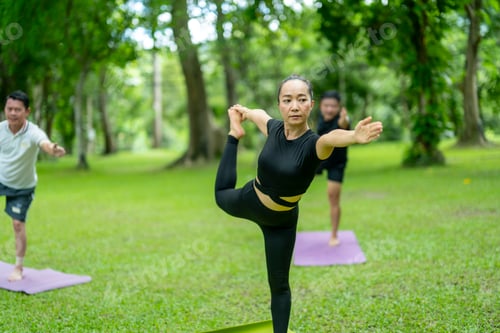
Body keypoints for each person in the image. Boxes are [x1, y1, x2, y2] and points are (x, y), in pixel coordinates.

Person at [214, 74, 383, 333]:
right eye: (287, 100)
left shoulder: (315, 144)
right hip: (250, 199)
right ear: (280, 105)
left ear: (310, 105)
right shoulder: (273, 128)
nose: (294, 106)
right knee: (221, 193)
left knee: (279, 285)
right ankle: (233, 135)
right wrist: (244, 113)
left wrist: (353, 136)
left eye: (301, 99)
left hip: (281, 222)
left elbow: (332, 137)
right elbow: (260, 115)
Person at [1, 90, 66, 282]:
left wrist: (53, 149)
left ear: (27, 111)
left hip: (23, 186)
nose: (13, 113)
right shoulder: (1, 129)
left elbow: (44, 143)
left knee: (18, 224)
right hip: (1, 178)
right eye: (9, 109)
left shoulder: (33, 132)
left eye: (17, 110)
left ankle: (18, 267)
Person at [316, 90, 350, 246]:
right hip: (317, 160)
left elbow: (344, 124)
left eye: (333, 106)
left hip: (337, 163)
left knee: (333, 197)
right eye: (326, 105)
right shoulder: (317, 119)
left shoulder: (341, 120)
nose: (329, 109)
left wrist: (344, 118)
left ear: (339, 108)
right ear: (320, 106)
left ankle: (334, 235)